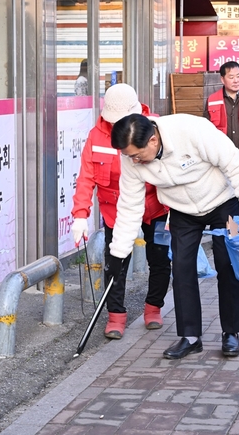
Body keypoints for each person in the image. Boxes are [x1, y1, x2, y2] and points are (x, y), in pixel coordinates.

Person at [105, 113, 239, 360]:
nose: (133, 161)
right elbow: (129, 206)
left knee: (229, 264)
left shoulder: (191, 130)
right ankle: (190, 337)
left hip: (226, 204)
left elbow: (234, 162)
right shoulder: (131, 160)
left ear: (153, 140)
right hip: (181, 211)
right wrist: (118, 253)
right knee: (180, 269)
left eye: (136, 155)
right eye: (129, 156)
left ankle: (231, 332)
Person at [70, 83, 171, 339]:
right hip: (115, 210)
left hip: (156, 206)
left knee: (159, 259)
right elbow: (86, 178)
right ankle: (116, 316)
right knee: (116, 263)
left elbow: (174, 170)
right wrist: (80, 215)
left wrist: (174, 208)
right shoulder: (96, 136)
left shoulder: (156, 127)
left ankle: (153, 309)